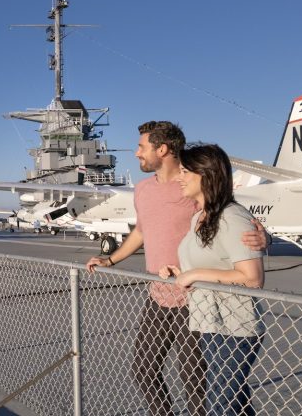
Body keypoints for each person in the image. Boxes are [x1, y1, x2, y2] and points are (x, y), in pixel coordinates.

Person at [85, 121, 267, 416]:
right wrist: (112, 259)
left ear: (163, 149)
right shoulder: (143, 189)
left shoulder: (192, 186)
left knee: (196, 380)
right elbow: (141, 231)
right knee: (144, 369)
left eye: (142, 147)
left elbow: (230, 218)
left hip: (195, 300)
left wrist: (263, 236)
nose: (136, 153)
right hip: (159, 293)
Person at [159, 144, 264, 416]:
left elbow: (252, 278)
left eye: (185, 171)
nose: (179, 177)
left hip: (235, 327)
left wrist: (195, 275)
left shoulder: (233, 217)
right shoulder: (199, 216)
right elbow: (211, 261)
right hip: (209, 321)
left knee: (221, 404)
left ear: (206, 175)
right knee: (235, 402)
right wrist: (179, 272)